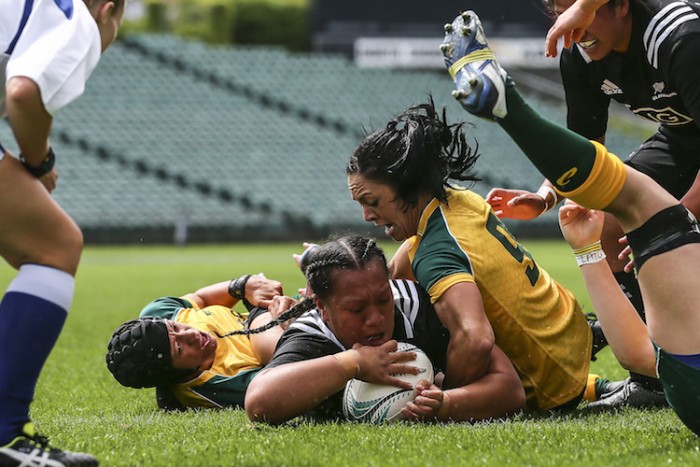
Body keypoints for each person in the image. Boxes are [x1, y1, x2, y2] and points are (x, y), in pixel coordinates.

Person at [441, 8, 700, 434]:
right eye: (559, 15)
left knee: (645, 214)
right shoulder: (581, 55)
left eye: (579, 11)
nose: (571, 29)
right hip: (684, 141)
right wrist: (545, 196)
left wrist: (680, 219)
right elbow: (586, 142)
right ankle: (650, 378)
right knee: (614, 222)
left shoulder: (677, 37)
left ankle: (511, 109)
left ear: (620, 7)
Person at [345, 100, 595, 412]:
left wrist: (444, 394)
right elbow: (409, 254)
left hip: (547, 382)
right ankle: (597, 386)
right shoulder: (457, 200)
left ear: (408, 186)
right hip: (567, 331)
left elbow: (475, 339)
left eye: (372, 201)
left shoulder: (437, 252)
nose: (367, 215)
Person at [0, 0, 125, 465]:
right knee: (55, 245)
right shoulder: (76, 17)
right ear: (108, 10)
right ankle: (5, 435)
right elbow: (24, 93)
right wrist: (39, 161)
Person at [244, 235, 526, 424]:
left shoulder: (416, 305)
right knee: (264, 340)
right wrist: (351, 363)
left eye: (383, 299)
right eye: (356, 309)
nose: (376, 319)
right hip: (269, 323)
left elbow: (510, 390)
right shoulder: (313, 333)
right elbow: (258, 403)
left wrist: (447, 404)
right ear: (322, 307)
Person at [106, 274, 288, 410]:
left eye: (176, 328)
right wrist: (264, 315)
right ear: (176, 375)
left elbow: (202, 298)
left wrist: (242, 285)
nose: (191, 335)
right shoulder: (213, 385)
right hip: (299, 334)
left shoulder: (160, 313)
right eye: (180, 348)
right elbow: (285, 376)